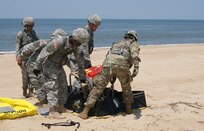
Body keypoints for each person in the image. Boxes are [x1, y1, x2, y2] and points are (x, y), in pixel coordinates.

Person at [79, 30, 141, 119]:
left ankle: (85, 112)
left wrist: (110, 74)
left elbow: (108, 56)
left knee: (98, 88)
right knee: (126, 88)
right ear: (134, 37)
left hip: (108, 65)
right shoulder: (133, 42)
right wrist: (136, 69)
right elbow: (135, 55)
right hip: (122, 66)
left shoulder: (116, 43)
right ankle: (129, 110)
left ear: (125, 36)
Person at [33, 28, 89, 119]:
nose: (80, 44)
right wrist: (37, 66)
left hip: (59, 65)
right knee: (52, 87)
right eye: (79, 42)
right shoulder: (59, 41)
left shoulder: (76, 46)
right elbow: (44, 52)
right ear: (74, 39)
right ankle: (52, 111)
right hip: (49, 64)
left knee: (63, 85)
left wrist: (82, 76)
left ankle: (61, 107)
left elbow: (80, 62)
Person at [19, 29, 68, 106]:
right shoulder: (44, 42)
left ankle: (45, 101)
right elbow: (27, 48)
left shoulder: (60, 46)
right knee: (36, 83)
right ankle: (42, 102)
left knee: (45, 83)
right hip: (33, 64)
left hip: (43, 65)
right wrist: (20, 58)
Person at [70, 14, 102, 93]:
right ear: (91, 24)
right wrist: (88, 64)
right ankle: (74, 94)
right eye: (95, 26)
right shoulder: (85, 33)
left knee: (84, 76)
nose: (96, 28)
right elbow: (84, 50)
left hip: (82, 57)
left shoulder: (90, 31)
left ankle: (81, 92)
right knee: (80, 76)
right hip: (77, 58)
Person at [15, 17, 39, 98]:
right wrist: (18, 58)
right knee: (25, 75)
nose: (31, 27)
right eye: (29, 25)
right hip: (23, 58)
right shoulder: (20, 34)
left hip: (32, 58)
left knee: (32, 74)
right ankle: (24, 92)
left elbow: (37, 42)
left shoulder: (33, 32)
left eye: (32, 25)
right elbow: (17, 47)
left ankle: (31, 91)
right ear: (25, 25)